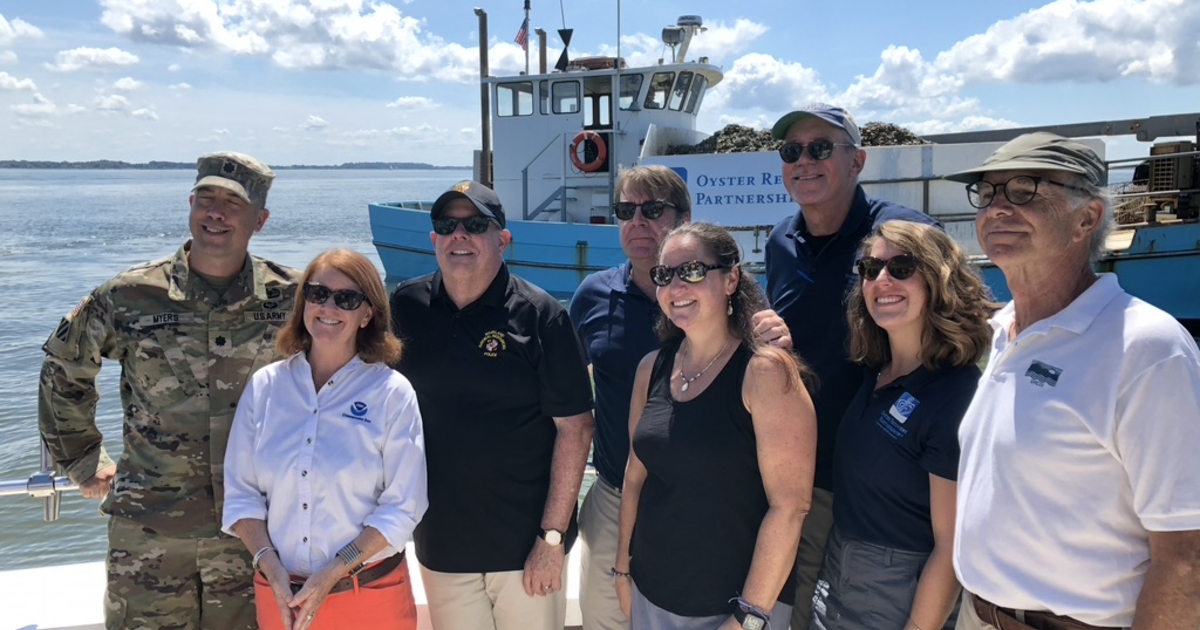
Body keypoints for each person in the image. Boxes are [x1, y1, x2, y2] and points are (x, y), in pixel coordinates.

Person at [946, 133, 1200, 629]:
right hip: (980, 615)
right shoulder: (1003, 332)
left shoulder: (1147, 349)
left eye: (1025, 190)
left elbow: (1186, 554)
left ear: (1088, 218)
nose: (998, 208)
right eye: (988, 192)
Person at [38, 152, 299, 629]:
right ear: (190, 203)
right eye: (206, 197)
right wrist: (83, 460)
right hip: (150, 535)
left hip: (255, 536)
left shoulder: (294, 298)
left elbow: (341, 385)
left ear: (259, 220)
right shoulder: (130, 295)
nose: (215, 212)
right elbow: (65, 368)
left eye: (233, 203)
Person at [759, 103, 940, 630]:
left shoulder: (903, 237)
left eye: (821, 149)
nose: (805, 161)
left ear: (857, 161)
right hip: (806, 477)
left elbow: (952, 339)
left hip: (886, 486)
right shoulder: (780, 242)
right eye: (792, 152)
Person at [389, 180, 596, 630]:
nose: (459, 235)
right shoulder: (406, 306)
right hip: (441, 543)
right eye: (447, 225)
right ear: (434, 241)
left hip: (523, 548)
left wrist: (552, 539)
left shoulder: (541, 315)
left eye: (475, 225)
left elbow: (576, 429)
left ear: (502, 239)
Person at [615, 222, 818, 630]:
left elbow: (791, 506)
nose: (676, 286)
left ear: (730, 280)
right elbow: (636, 476)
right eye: (664, 275)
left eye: (692, 271)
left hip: (734, 607)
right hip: (653, 593)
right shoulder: (650, 369)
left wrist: (749, 614)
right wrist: (622, 569)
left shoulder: (765, 372)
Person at [223, 248, 428, 630]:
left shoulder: (392, 393)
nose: (328, 306)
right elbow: (241, 495)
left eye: (346, 299)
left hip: (370, 598)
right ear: (304, 303)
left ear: (367, 314)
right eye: (318, 294)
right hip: (280, 597)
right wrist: (270, 566)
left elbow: (403, 507)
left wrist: (332, 572)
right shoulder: (265, 387)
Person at [810, 222, 993, 630]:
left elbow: (949, 548)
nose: (882, 280)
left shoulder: (955, 394)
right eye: (871, 269)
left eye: (902, 266)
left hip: (897, 593)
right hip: (837, 573)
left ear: (938, 280)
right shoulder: (874, 373)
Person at [569, 165, 692, 630]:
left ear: (682, 218)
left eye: (652, 210)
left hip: (694, 501)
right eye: (626, 210)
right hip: (613, 494)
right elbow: (566, 400)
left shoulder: (716, 292)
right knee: (604, 619)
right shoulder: (593, 295)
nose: (637, 221)